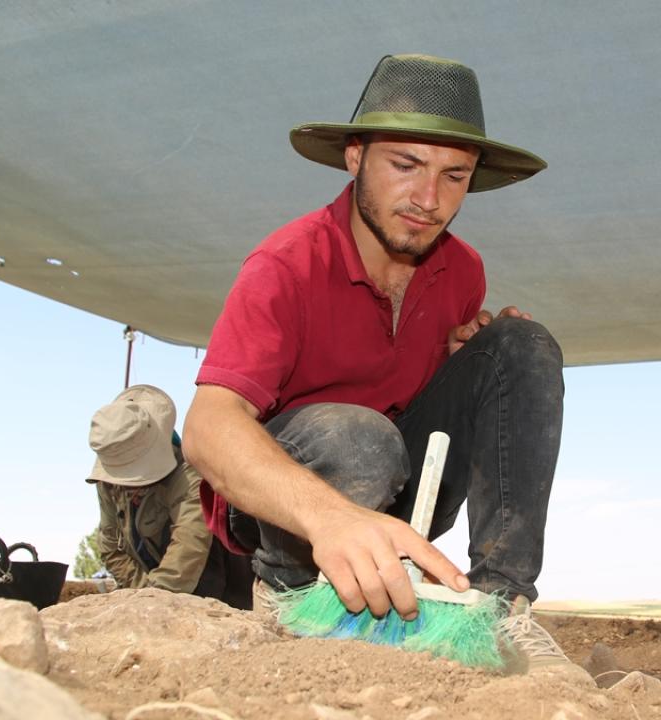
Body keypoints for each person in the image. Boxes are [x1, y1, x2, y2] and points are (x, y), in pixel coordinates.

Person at [183, 54, 573, 672]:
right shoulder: (285, 266)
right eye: (406, 165)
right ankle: (289, 600)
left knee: (521, 347)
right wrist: (329, 517)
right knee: (358, 436)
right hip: (295, 506)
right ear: (355, 156)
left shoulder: (462, 270)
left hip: (396, 496)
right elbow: (206, 428)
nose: (428, 199)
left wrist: (459, 367)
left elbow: (421, 403)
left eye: (455, 175)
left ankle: (503, 610)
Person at [88, 384, 252, 610]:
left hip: (218, 586)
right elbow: (111, 547)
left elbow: (189, 545)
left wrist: (155, 600)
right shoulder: (108, 482)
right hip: (157, 590)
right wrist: (142, 595)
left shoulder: (189, 474)